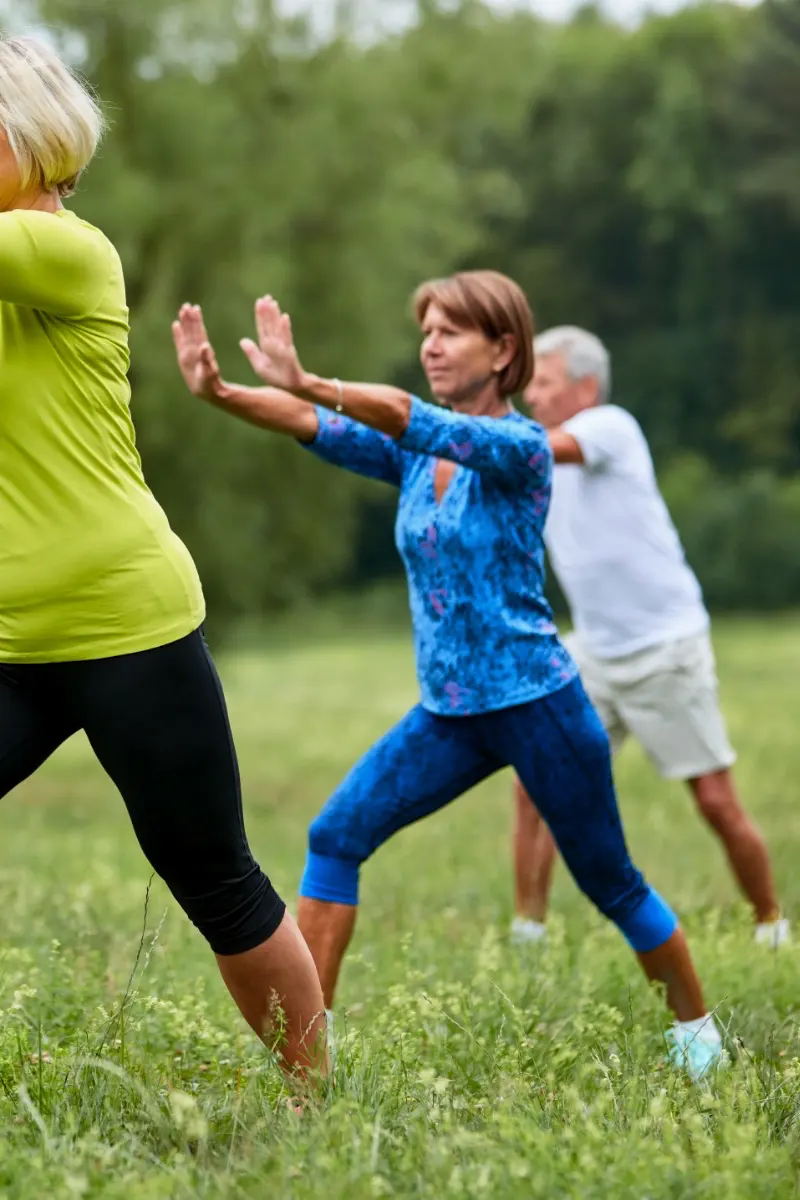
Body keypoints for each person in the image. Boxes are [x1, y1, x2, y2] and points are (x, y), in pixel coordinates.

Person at [173, 273, 725, 1078]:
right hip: (450, 714)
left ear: (504, 351)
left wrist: (313, 377)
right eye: (426, 329)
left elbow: (400, 413)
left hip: (538, 703)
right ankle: (308, 1064)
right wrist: (222, 391)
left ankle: (699, 1034)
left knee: (611, 881)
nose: (430, 343)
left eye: (451, 331)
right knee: (335, 836)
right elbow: (313, 423)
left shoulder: (520, 449)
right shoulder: (411, 456)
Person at [0, 35, 326, 1078]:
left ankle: (315, 1104)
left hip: (126, 619)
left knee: (212, 877)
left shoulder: (65, 249)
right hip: (13, 636)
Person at [511, 326, 788, 951]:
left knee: (715, 801)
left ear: (584, 386)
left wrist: (470, 432)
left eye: (544, 382)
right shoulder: (534, 452)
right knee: (534, 784)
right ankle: (527, 933)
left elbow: (539, 449)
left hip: (665, 647)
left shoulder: (610, 426)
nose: (532, 396)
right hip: (594, 651)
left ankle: (772, 925)